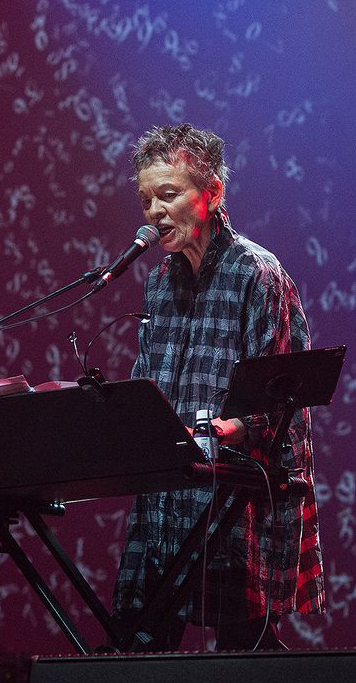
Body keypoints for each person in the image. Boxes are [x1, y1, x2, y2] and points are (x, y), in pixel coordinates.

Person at [112, 123, 323, 652]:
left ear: (212, 193)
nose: (154, 212)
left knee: (243, 658)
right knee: (139, 651)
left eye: (168, 194)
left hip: (234, 497)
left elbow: (280, 398)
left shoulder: (257, 273)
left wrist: (235, 429)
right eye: (145, 200)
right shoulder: (160, 282)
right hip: (168, 494)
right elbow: (148, 387)